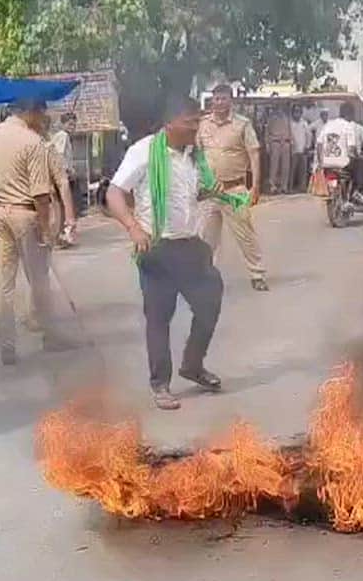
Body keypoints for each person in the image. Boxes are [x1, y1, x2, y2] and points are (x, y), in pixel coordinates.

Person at [106, 96, 225, 411]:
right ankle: (160, 384)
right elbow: (114, 193)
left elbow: (188, 196)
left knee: (210, 301)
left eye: (198, 122)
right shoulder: (144, 151)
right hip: (157, 247)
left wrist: (209, 191)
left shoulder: (193, 155)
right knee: (159, 318)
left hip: (190, 244)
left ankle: (193, 364)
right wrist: (133, 228)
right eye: (190, 122)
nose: (196, 128)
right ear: (170, 123)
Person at [0, 97, 63, 365]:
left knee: (3, 285)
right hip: (26, 214)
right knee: (39, 279)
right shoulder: (32, 142)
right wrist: (46, 228)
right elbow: (40, 194)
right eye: (41, 113)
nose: (43, 119)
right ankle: (51, 336)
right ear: (31, 111)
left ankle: (7, 347)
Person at [197, 83, 269, 291]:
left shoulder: (242, 125)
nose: (219, 102)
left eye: (224, 98)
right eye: (216, 99)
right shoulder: (203, 124)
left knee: (245, 234)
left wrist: (255, 186)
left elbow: (254, 154)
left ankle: (257, 274)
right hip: (209, 191)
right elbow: (197, 154)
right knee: (205, 238)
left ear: (231, 101)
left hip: (234, 189)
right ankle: (205, 276)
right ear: (212, 101)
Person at [316, 102, 363, 221]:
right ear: (351, 115)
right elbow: (352, 148)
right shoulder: (350, 127)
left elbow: (319, 144)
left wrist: (320, 162)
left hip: (327, 164)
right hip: (343, 164)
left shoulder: (328, 125)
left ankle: (347, 197)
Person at [50, 112, 79, 246]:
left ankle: (59, 235)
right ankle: (60, 235)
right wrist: (69, 171)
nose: (72, 127)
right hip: (62, 176)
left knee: (60, 206)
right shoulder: (63, 136)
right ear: (63, 124)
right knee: (64, 206)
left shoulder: (58, 136)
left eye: (74, 125)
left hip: (58, 175)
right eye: (70, 124)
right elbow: (60, 156)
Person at [265, 106, 293, 195]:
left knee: (286, 166)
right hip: (275, 142)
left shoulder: (287, 118)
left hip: (286, 143)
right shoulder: (271, 118)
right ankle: (272, 186)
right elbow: (267, 132)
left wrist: (291, 143)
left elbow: (290, 131)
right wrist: (267, 144)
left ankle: (284, 187)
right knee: (274, 165)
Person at [289, 105, 311, 192]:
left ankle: (302, 187)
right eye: (295, 112)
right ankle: (290, 187)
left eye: (298, 112)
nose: (297, 114)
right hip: (293, 150)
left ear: (301, 113)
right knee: (292, 170)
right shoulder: (290, 124)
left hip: (303, 149)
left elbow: (309, 135)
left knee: (303, 170)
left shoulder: (304, 123)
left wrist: (307, 146)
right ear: (292, 113)